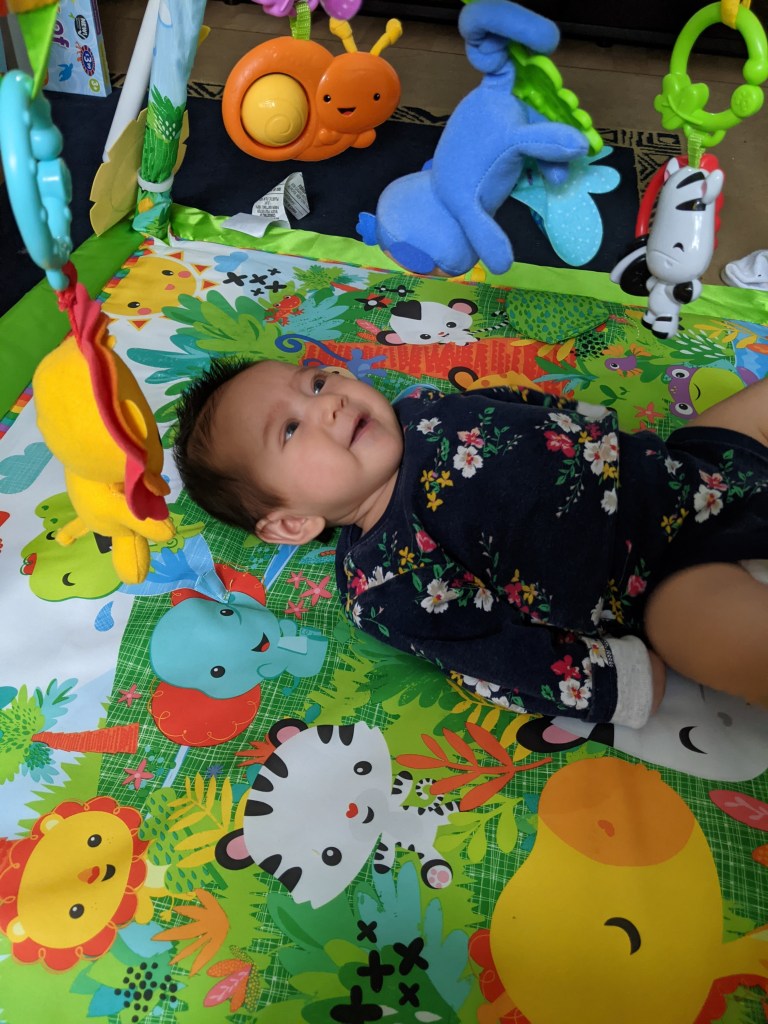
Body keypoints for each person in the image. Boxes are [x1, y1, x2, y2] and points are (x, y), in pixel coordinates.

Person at [173, 356, 768, 729]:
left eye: (316, 381)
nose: (329, 402)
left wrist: (592, 423)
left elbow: (523, 406)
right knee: (735, 640)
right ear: (290, 524)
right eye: (290, 428)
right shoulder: (383, 580)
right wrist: (611, 681)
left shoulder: (421, 408)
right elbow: (489, 656)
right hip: (662, 577)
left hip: (684, 465)